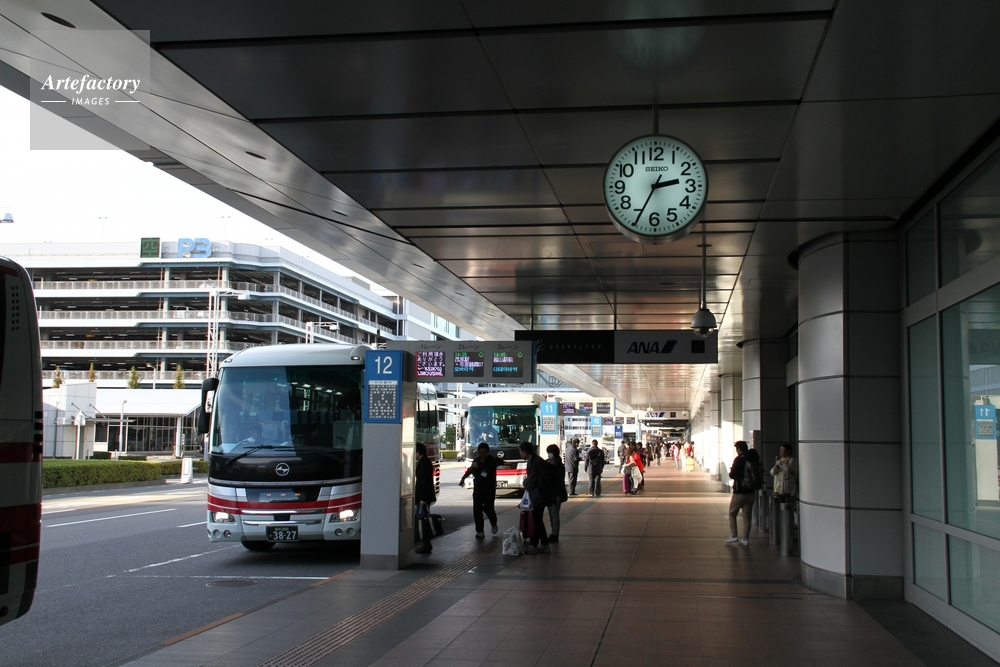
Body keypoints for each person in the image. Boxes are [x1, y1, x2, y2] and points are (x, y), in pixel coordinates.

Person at [459, 442, 501, 538]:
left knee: (488, 509)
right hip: (478, 489)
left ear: (488, 452)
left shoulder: (492, 460)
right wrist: (463, 478)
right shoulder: (476, 461)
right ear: (478, 452)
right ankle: (480, 531)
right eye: (481, 452)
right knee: (477, 511)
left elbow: (502, 462)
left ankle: (493, 523)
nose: (483, 454)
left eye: (485, 452)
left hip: (489, 490)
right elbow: (470, 470)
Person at [520, 442, 552, 554]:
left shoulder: (536, 461)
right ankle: (544, 544)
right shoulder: (533, 460)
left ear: (524, 452)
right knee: (537, 519)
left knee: (537, 520)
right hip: (536, 494)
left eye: (520, 452)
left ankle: (534, 544)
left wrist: (536, 486)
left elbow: (546, 476)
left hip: (539, 494)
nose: (520, 454)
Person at [725, 440, 759, 546]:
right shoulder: (753, 458)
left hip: (740, 492)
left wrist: (732, 471)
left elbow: (732, 475)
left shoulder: (739, 459)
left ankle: (734, 535)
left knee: (732, 513)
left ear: (738, 449)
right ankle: (745, 539)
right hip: (751, 492)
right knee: (747, 517)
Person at [414, 442, 437, 553]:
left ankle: (426, 543)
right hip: (424, 496)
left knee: (423, 520)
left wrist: (423, 498)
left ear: (418, 452)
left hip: (423, 497)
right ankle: (426, 543)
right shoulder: (425, 461)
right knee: (424, 519)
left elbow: (424, 482)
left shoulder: (423, 463)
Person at [545, 444, 569, 541]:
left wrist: (559, 495)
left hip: (556, 493)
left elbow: (559, 481)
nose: (549, 454)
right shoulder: (547, 463)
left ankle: (555, 534)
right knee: (551, 514)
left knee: (554, 514)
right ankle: (553, 533)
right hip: (549, 493)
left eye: (550, 453)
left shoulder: (559, 466)